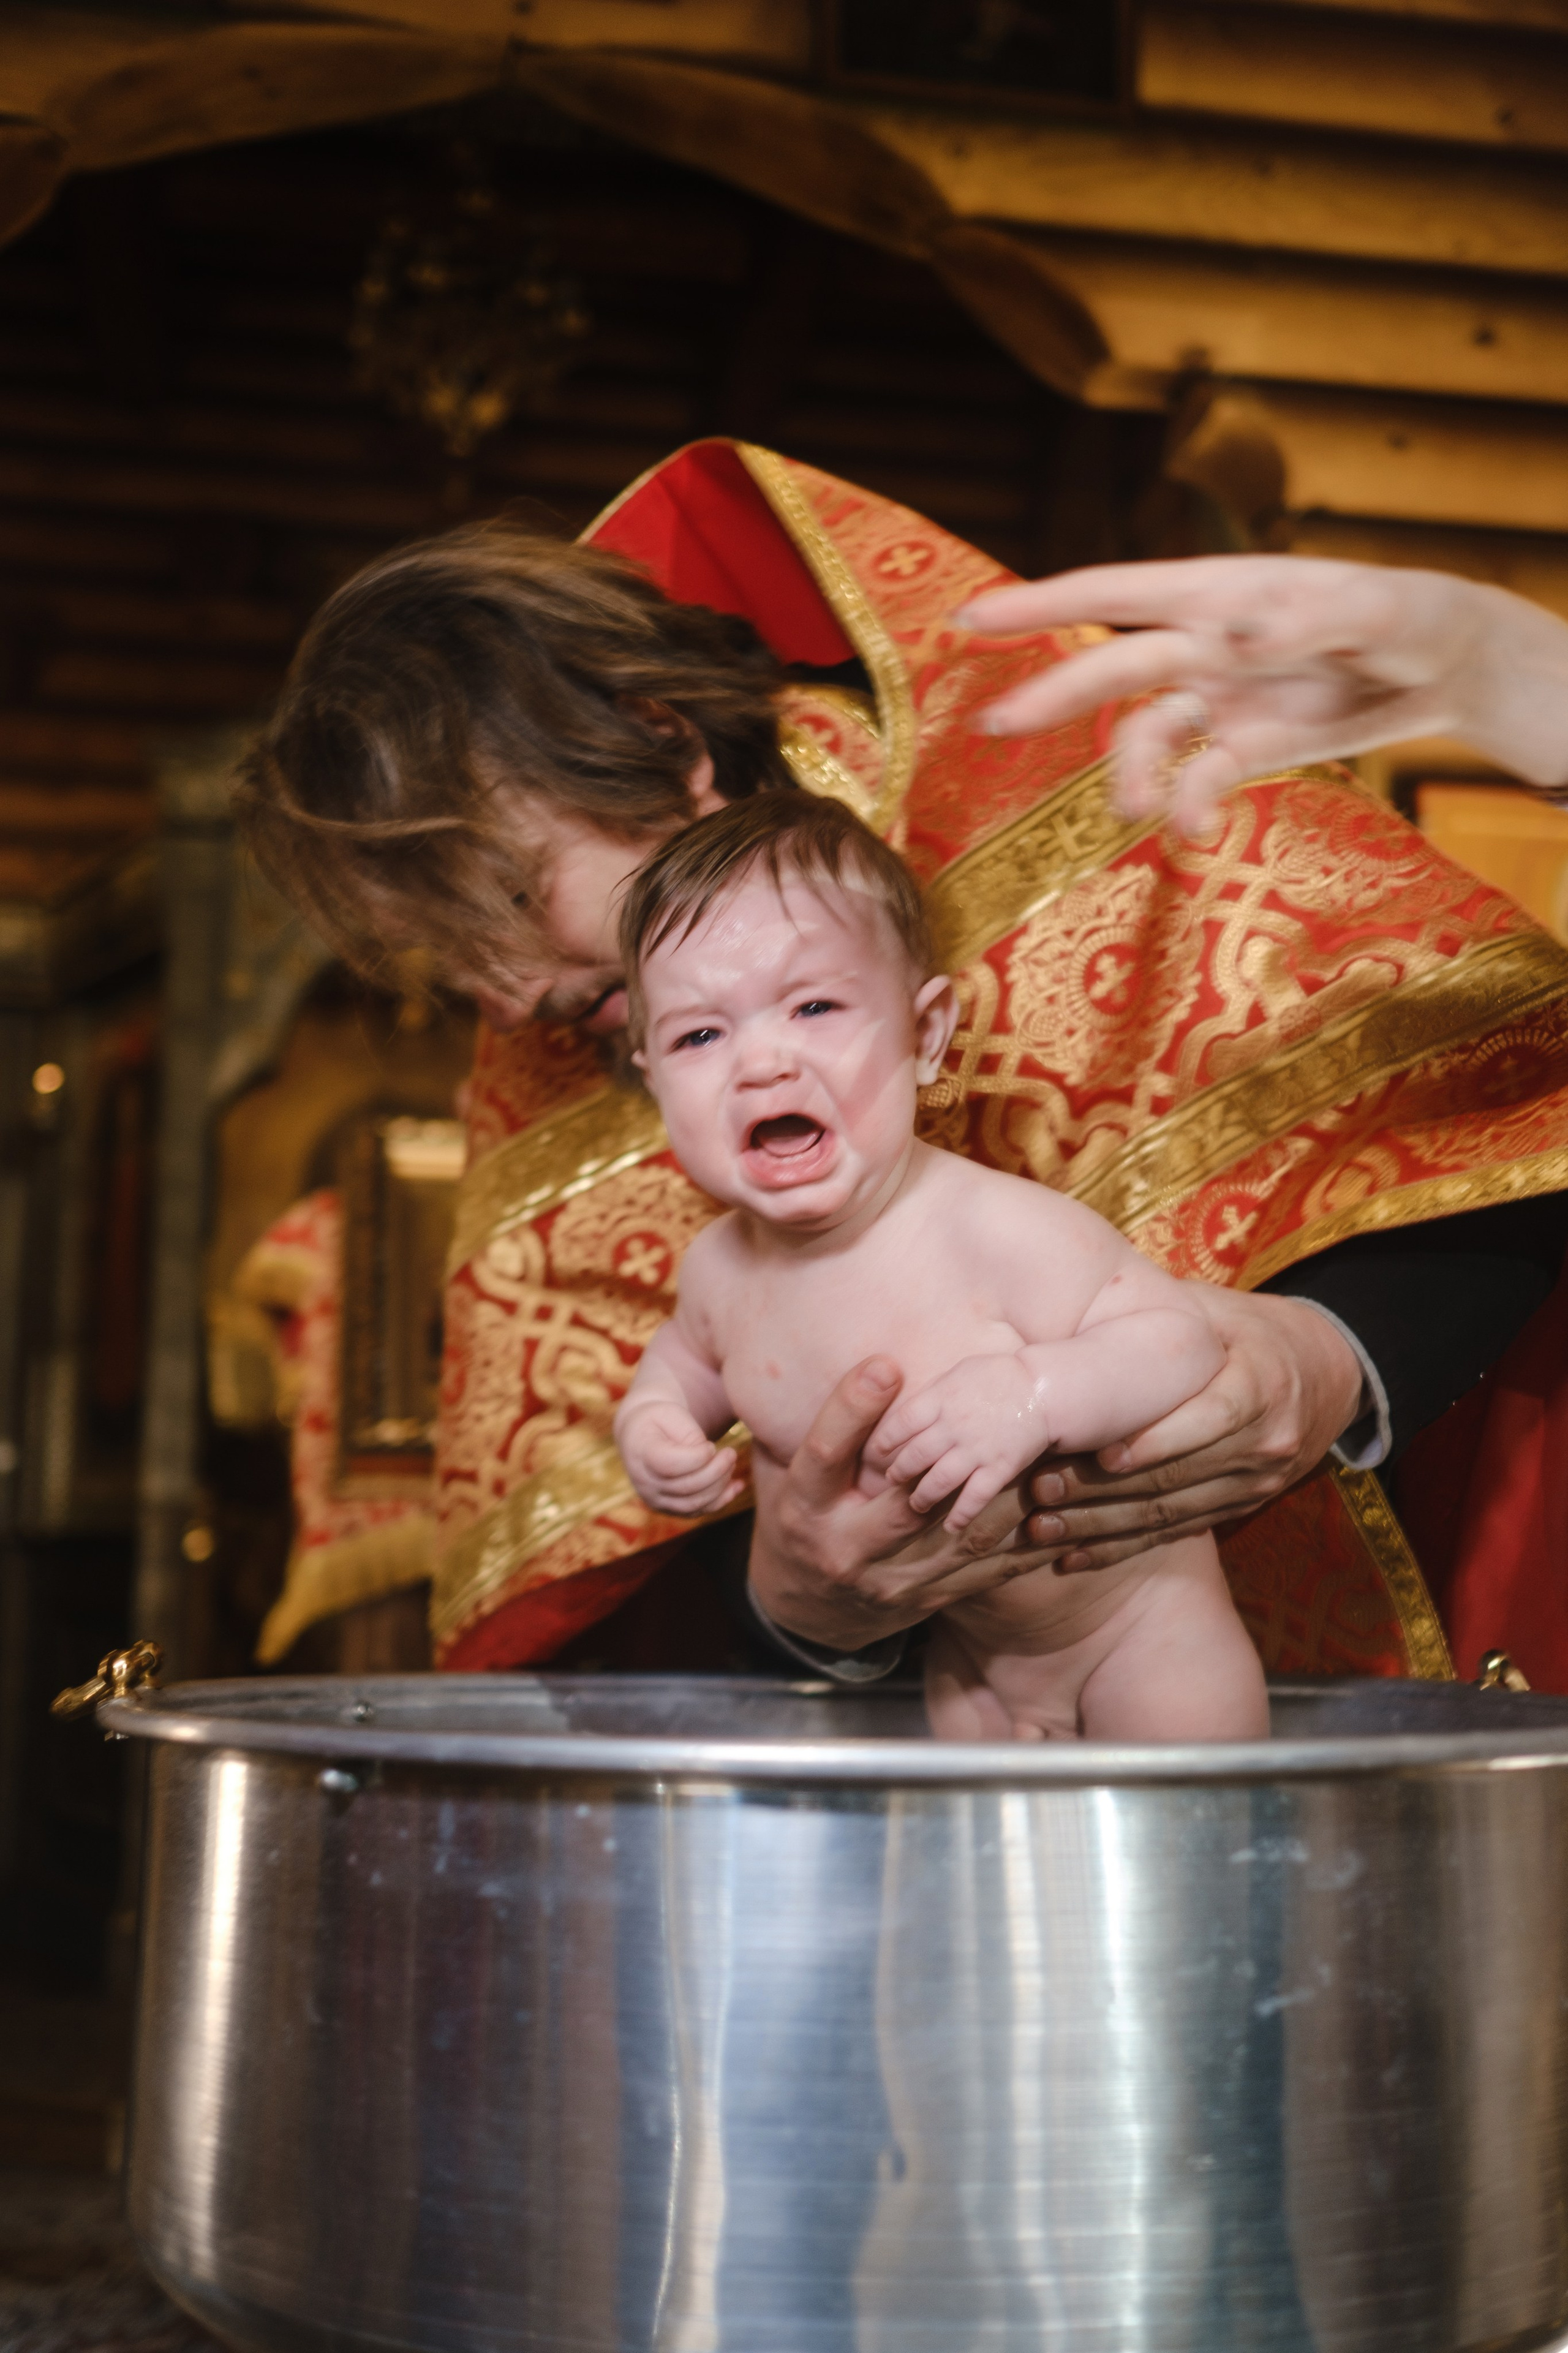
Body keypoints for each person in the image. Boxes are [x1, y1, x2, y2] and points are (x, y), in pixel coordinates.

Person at [234, 441, 1568, 1689]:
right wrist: (796, 1601)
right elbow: (606, 1584)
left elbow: (1490, 1104)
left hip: (1430, 1602)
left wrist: (1327, 1356)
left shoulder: (1061, 775)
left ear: (660, 741)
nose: (513, 995)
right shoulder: (560, 1051)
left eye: (514, 903)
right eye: (454, 969)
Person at [613, 791, 1265, 1741]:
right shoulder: (718, 1271)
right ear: (653, 1079)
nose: (760, 1063)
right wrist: (655, 1423)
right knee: (987, 1885)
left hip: (1142, 1636)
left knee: (1194, 1869)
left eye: (815, 1005)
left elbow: (1180, 1341)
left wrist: (1034, 1393)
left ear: (925, 1035)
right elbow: (684, 1362)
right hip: (974, 1668)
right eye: (700, 1035)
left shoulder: (992, 1229)